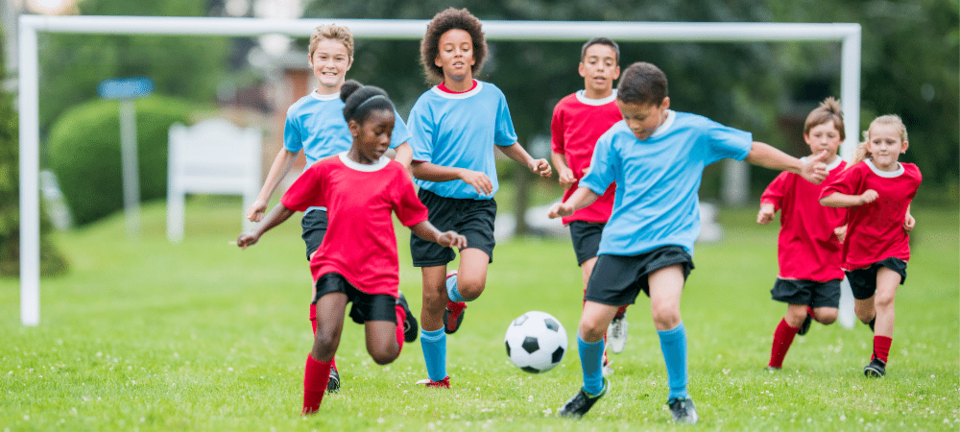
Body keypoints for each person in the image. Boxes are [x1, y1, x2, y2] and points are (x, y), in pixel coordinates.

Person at [548, 62, 829, 423]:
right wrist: (570, 202)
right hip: (620, 242)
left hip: (670, 240)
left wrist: (799, 166)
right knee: (589, 327)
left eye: (640, 117)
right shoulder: (614, 138)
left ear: (664, 105)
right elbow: (594, 184)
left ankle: (679, 396)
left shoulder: (695, 131)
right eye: (626, 116)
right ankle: (592, 388)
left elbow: (750, 149)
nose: (633, 125)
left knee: (665, 311)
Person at [237, 82, 467, 415]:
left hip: (378, 273)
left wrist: (440, 236)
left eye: (389, 133)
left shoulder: (393, 175)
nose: (386, 141)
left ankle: (398, 308)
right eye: (379, 132)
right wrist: (257, 232)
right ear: (354, 129)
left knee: (384, 354)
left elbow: (415, 220)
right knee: (326, 336)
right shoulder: (327, 169)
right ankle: (308, 414)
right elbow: (289, 204)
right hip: (334, 265)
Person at [244, 24, 414, 393]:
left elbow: (404, 146)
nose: (330, 64)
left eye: (338, 58)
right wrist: (263, 197)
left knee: (367, 283)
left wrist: (392, 178)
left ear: (349, 62)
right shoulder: (299, 110)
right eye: (324, 57)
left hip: (365, 212)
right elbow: (289, 152)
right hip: (319, 212)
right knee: (323, 282)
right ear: (311, 60)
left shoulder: (367, 105)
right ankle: (329, 366)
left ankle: (393, 305)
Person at [406, 7, 552, 389]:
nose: (457, 54)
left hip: (476, 207)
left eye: (464, 47)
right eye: (448, 48)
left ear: (475, 55)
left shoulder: (492, 97)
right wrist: (459, 171)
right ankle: (438, 378)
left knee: (471, 285)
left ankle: (457, 292)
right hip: (433, 207)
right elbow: (417, 166)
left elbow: (505, 139)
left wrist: (531, 160)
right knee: (431, 296)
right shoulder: (427, 105)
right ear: (436, 58)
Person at [820, 114, 921, 378]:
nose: (884, 147)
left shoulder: (912, 174)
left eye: (890, 141)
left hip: (893, 247)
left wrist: (907, 215)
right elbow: (827, 197)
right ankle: (879, 328)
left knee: (886, 298)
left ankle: (878, 362)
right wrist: (859, 199)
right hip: (859, 252)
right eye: (877, 142)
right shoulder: (859, 172)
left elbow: (903, 195)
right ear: (869, 145)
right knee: (864, 314)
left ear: (903, 146)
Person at [550, 37, 628, 371]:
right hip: (580, 207)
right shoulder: (565, 107)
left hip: (623, 207)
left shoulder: (625, 108)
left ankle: (618, 314)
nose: (600, 67)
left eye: (607, 62)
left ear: (617, 71)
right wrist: (563, 168)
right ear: (582, 68)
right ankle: (602, 357)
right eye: (593, 61)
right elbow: (557, 148)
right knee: (594, 280)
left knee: (620, 283)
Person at [757, 97, 848, 371]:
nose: (824, 141)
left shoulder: (849, 174)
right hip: (796, 252)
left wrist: (849, 226)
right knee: (794, 315)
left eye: (830, 135)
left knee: (829, 315)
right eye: (818, 135)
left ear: (840, 139)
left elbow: (861, 207)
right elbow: (772, 194)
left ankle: (810, 310)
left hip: (830, 256)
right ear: (807, 138)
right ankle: (774, 366)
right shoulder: (797, 169)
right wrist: (768, 209)